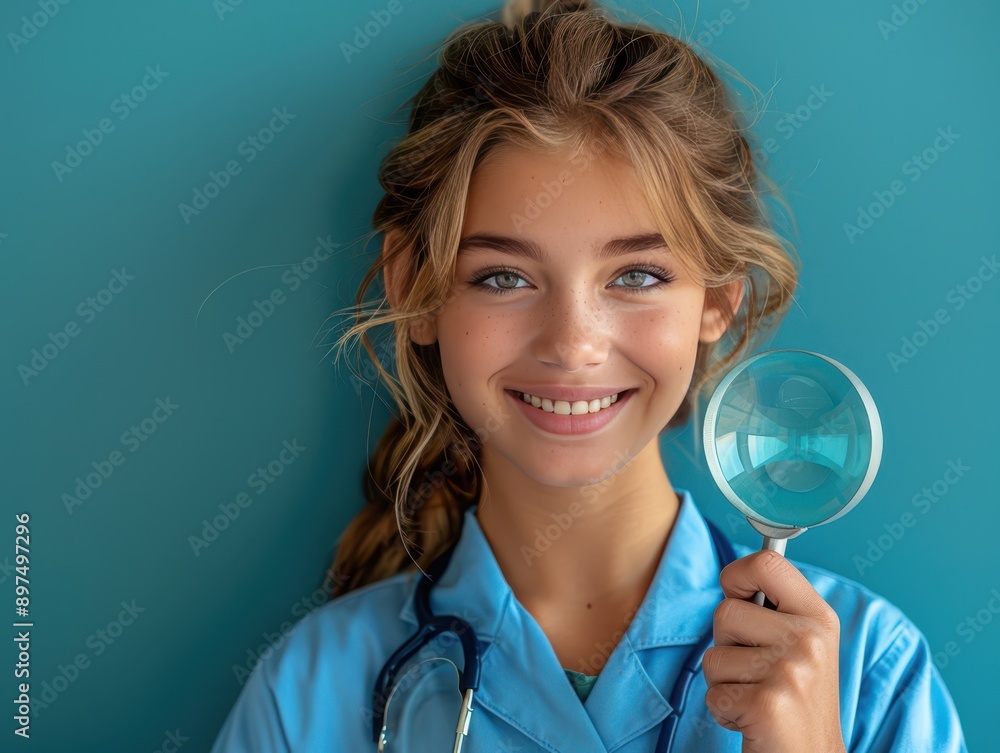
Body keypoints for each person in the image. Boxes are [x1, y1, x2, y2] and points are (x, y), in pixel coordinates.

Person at [209, 1, 968, 750]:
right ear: (416, 292)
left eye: (636, 275)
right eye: (503, 277)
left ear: (719, 300)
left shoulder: (869, 674)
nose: (573, 345)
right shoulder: (306, 693)